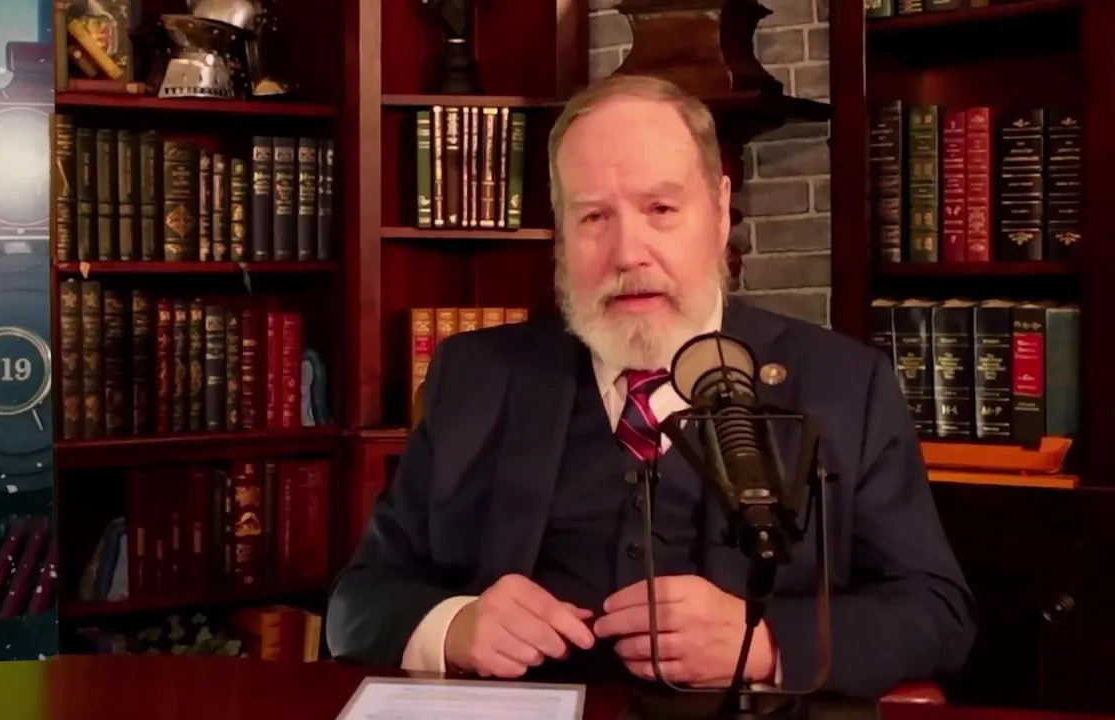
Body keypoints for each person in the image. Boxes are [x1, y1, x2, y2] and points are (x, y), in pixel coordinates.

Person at [326, 74, 975, 699]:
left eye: (660, 209)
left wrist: (766, 643)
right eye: (592, 217)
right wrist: (456, 627)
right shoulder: (475, 377)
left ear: (719, 212)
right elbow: (356, 606)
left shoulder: (846, 384)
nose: (627, 253)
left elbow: (937, 611)